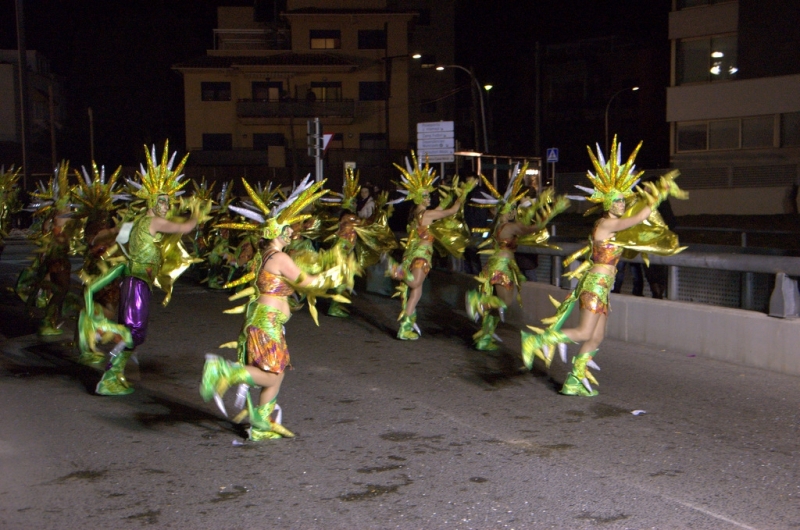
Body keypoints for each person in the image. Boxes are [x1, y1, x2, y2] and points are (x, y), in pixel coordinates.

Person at [521, 137, 688, 396]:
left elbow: (634, 231)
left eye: (623, 200)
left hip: (603, 287)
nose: (621, 204)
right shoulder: (605, 224)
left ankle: (574, 380)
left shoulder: (611, 228)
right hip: (595, 284)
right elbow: (637, 218)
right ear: (607, 203)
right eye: (617, 201)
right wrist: (659, 193)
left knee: (596, 337)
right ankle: (537, 340)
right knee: (584, 331)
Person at [201, 175, 358, 440]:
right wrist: (337, 271)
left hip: (267, 320)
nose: (293, 233)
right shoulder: (279, 256)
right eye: (288, 229)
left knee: (277, 374)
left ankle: (261, 424)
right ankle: (224, 370)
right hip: (266, 321)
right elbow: (307, 282)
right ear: (275, 232)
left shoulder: (268, 255)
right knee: (271, 374)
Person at [78, 141, 210, 395]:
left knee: (131, 333)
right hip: (136, 282)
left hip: (132, 280)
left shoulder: (137, 222)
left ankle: (112, 375)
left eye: (168, 202)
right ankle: (96, 329)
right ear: (153, 200)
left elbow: (115, 233)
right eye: (163, 201)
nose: (167, 206)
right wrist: (197, 213)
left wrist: (98, 239)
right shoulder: (152, 222)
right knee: (135, 333)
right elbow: (183, 228)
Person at [466, 166, 570, 350]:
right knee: (504, 302)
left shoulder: (498, 225)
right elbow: (532, 229)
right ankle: (477, 301)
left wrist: (537, 207)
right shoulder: (509, 227)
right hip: (502, 268)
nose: (514, 211)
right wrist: (552, 212)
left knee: (496, 308)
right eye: (512, 208)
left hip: (494, 266)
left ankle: (484, 338)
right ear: (507, 210)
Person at [386, 152, 476, 340]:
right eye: (425, 196)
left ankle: (405, 327)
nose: (428, 199)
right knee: (415, 283)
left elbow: (442, 209)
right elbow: (452, 211)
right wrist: (463, 194)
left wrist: (452, 194)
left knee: (416, 293)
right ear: (418, 197)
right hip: (420, 255)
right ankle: (397, 271)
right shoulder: (425, 215)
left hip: (416, 253)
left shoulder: (416, 214)